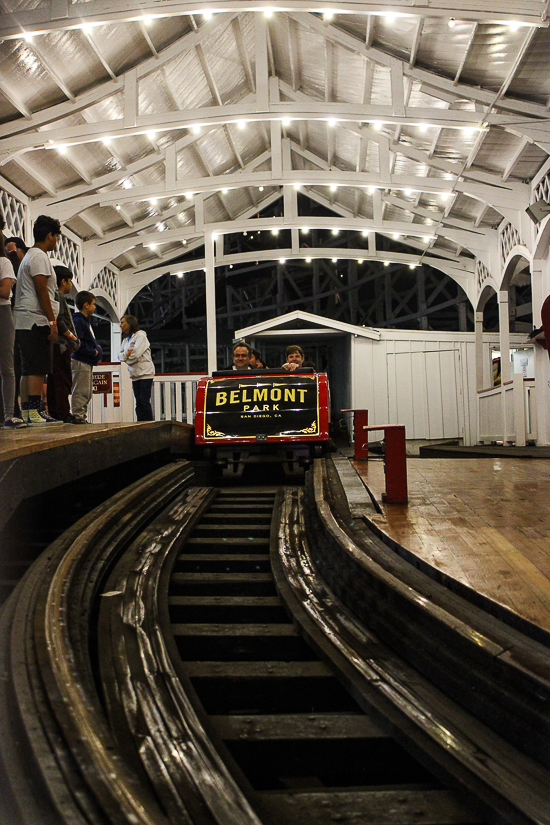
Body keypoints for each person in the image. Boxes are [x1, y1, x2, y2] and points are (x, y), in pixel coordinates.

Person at [13, 214, 63, 425]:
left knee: (28, 367)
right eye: (56, 237)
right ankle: (34, 412)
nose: (56, 242)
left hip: (25, 320)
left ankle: (27, 412)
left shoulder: (29, 256)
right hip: (36, 319)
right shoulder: (40, 256)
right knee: (37, 368)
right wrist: (52, 321)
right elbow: (41, 288)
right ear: (49, 235)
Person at [0, 216, 26, 428]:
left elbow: (5, 291)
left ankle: (9, 414)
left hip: (3, 313)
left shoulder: (4, 262)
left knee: (7, 366)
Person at [47, 266, 80, 423]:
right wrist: (73, 337)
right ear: (63, 281)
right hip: (61, 344)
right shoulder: (58, 297)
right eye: (70, 282)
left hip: (55, 345)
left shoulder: (53, 296)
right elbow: (60, 320)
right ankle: (63, 412)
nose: (71, 286)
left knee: (54, 379)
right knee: (63, 379)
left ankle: (55, 411)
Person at [71, 290, 102, 423]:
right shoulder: (79, 321)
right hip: (81, 360)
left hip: (86, 360)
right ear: (86, 305)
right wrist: (92, 351)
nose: (95, 307)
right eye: (93, 304)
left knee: (86, 391)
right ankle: (78, 416)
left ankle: (82, 416)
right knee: (81, 390)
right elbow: (77, 341)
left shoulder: (85, 321)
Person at [118, 315, 155, 421]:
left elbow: (136, 354)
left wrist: (127, 358)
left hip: (145, 373)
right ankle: (140, 423)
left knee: (144, 401)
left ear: (130, 324)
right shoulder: (125, 341)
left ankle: (148, 424)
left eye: (122, 323)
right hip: (134, 375)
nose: (120, 325)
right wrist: (127, 356)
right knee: (138, 402)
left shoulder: (141, 336)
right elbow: (120, 355)